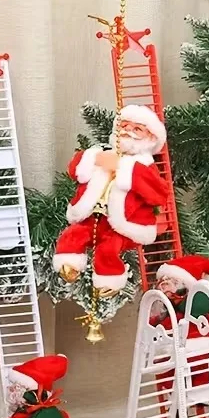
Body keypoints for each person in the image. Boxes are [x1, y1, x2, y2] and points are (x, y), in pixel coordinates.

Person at [52, 104, 170, 296]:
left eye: (137, 129)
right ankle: (69, 265)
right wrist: (93, 158)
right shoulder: (103, 153)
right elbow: (74, 170)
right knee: (73, 234)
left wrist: (123, 168)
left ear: (150, 137)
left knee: (108, 249)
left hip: (123, 225)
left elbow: (159, 193)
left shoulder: (145, 166)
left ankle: (109, 282)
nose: (128, 131)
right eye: (124, 126)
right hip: (92, 217)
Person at [150, 254, 209, 403]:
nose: (164, 285)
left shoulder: (194, 302)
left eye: (172, 281)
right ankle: (176, 396)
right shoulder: (162, 308)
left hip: (197, 341)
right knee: (168, 367)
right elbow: (152, 321)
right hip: (171, 346)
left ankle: (201, 393)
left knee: (204, 366)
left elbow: (201, 305)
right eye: (162, 281)